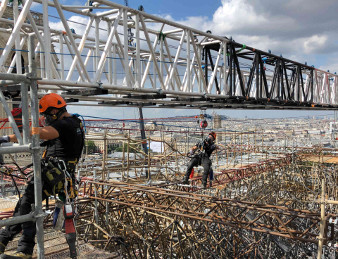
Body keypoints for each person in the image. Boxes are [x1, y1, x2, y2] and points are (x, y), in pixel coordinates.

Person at [0, 93, 84, 259]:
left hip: (53, 175)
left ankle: (24, 250)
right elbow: (38, 139)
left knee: (27, 205)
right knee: (24, 206)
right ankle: (4, 240)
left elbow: (37, 133)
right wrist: (8, 139)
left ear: (54, 111)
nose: (45, 118)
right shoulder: (73, 123)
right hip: (59, 176)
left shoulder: (64, 125)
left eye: (46, 115)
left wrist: (5, 137)